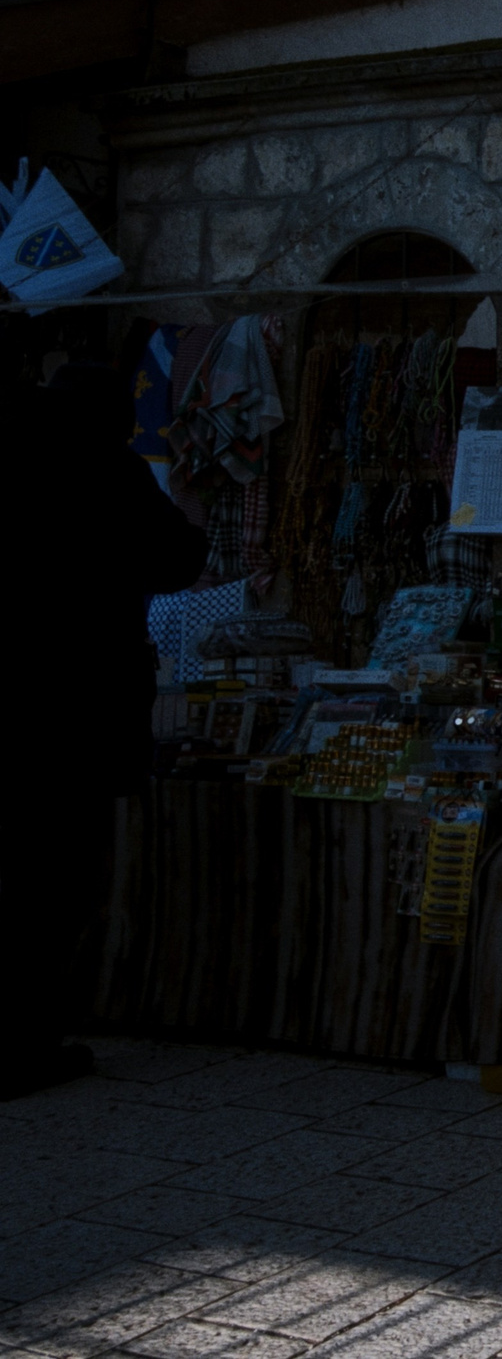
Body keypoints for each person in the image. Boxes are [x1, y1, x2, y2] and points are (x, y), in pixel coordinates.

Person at [0, 361, 207, 1097]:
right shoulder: (103, 469)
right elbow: (176, 560)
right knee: (50, 877)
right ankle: (22, 1043)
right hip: (71, 710)